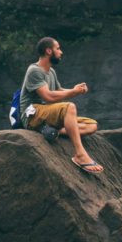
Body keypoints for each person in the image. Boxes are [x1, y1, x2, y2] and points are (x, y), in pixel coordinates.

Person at [19, 37, 102, 174]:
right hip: (32, 114)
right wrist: (73, 93)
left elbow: (58, 90)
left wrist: (75, 90)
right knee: (69, 107)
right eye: (58, 48)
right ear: (48, 51)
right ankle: (80, 155)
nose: (61, 52)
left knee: (92, 125)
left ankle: (51, 130)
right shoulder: (34, 70)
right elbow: (48, 96)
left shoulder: (50, 71)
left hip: (46, 114)